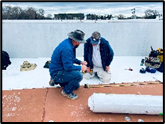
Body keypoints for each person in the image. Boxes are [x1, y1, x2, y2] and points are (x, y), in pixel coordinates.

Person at [49, 29, 87, 100]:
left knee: (76, 86)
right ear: (76, 41)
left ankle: (57, 81)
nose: (80, 44)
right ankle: (66, 91)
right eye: (79, 42)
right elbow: (68, 67)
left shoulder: (69, 44)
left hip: (58, 69)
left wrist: (80, 62)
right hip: (58, 72)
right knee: (78, 75)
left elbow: (71, 58)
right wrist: (80, 68)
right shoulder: (67, 48)